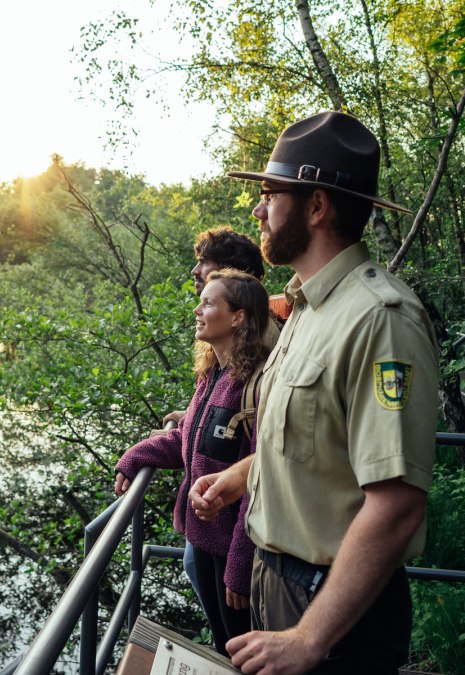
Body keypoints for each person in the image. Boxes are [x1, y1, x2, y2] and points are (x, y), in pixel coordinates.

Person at [188, 111, 439, 674]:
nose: (258, 209)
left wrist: (308, 638)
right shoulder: (305, 305)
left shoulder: (380, 318)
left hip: (331, 610)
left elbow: (397, 504)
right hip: (276, 581)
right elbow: (314, 440)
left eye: (271, 195)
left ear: (317, 207)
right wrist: (242, 476)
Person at [114, 268, 271, 656]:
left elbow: (262, 474)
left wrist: (239, 561)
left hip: (235, 547)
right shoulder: (211, 375)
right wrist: (136, 457)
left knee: (240, 650)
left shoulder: (256, 382)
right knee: (222, 645)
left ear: (238, 316)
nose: (197, 310)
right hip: (202, 537)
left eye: (208, 303)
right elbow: (189, 442)